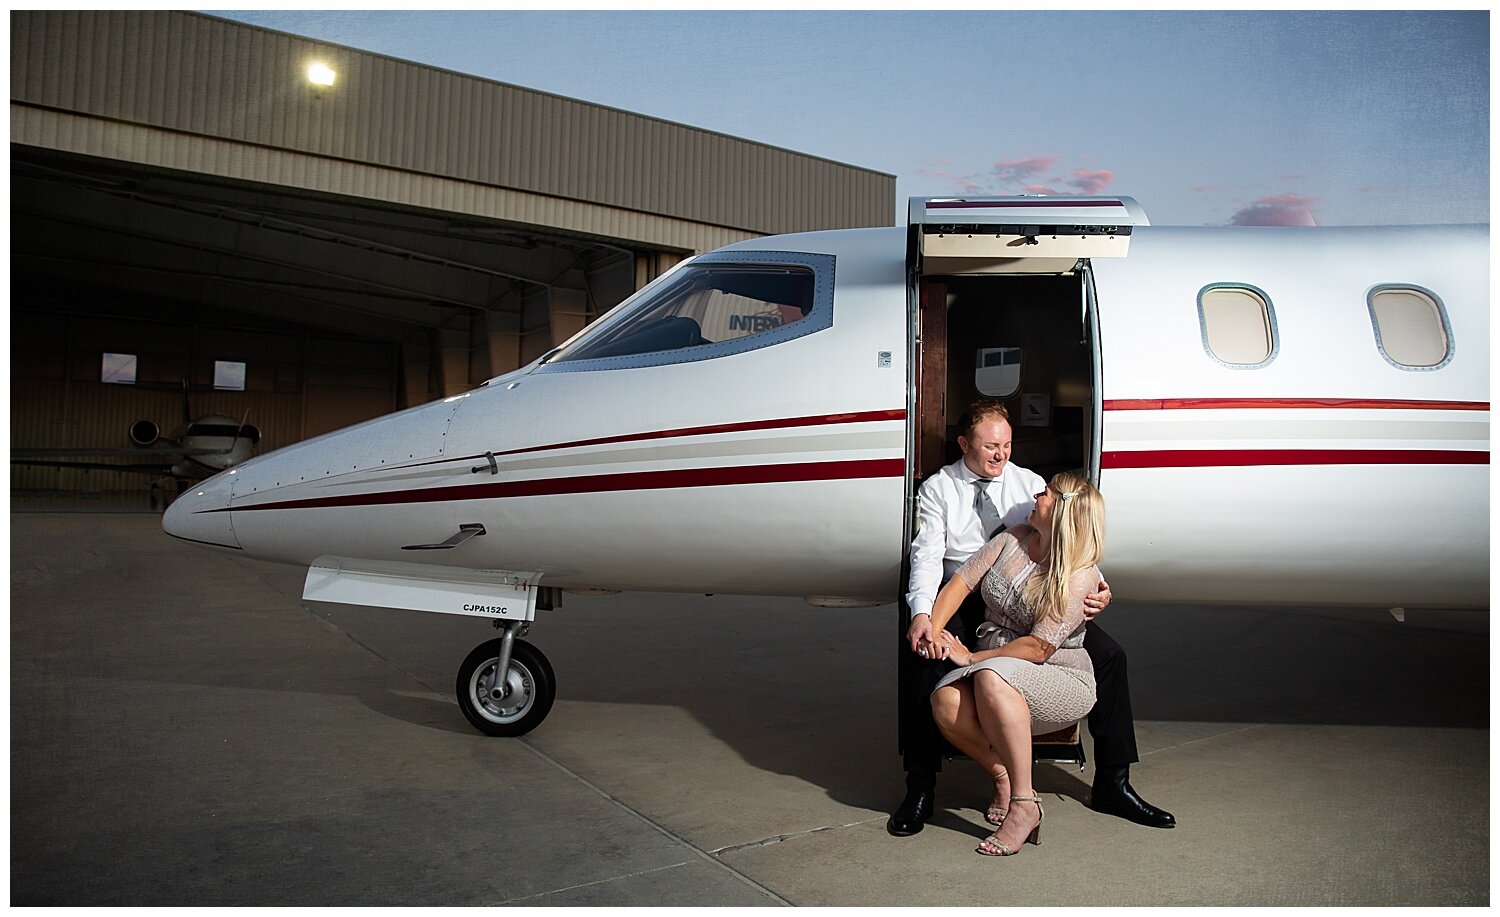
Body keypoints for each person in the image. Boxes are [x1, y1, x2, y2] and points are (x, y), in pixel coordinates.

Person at [887, 401, 1174, 836]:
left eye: (1006, 444)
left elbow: (1069, 537)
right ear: (964, 444)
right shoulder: (940, 489)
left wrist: (1097, 588)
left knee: (1111, 656)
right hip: (964, 595)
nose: (1000, 454)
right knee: (921, 659)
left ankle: (1114, 782)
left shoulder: (1029, 484)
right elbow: (929, 558)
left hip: (1030, 598)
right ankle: (921, 787)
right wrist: (924, 616)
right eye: (989, 446)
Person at [928, 470, 1103, 855]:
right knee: (945, 702)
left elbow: (1039, 648)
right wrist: (932, 629)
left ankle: (1025, 805)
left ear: (1061, 512)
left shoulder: (1079, 575)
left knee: (991, 676)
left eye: (1045, 494)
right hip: (997, 665)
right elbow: (961, 583)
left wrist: (973, 657)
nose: (1036, 497)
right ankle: (1002, 775)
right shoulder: (1013, 539)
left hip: (1059, 676)